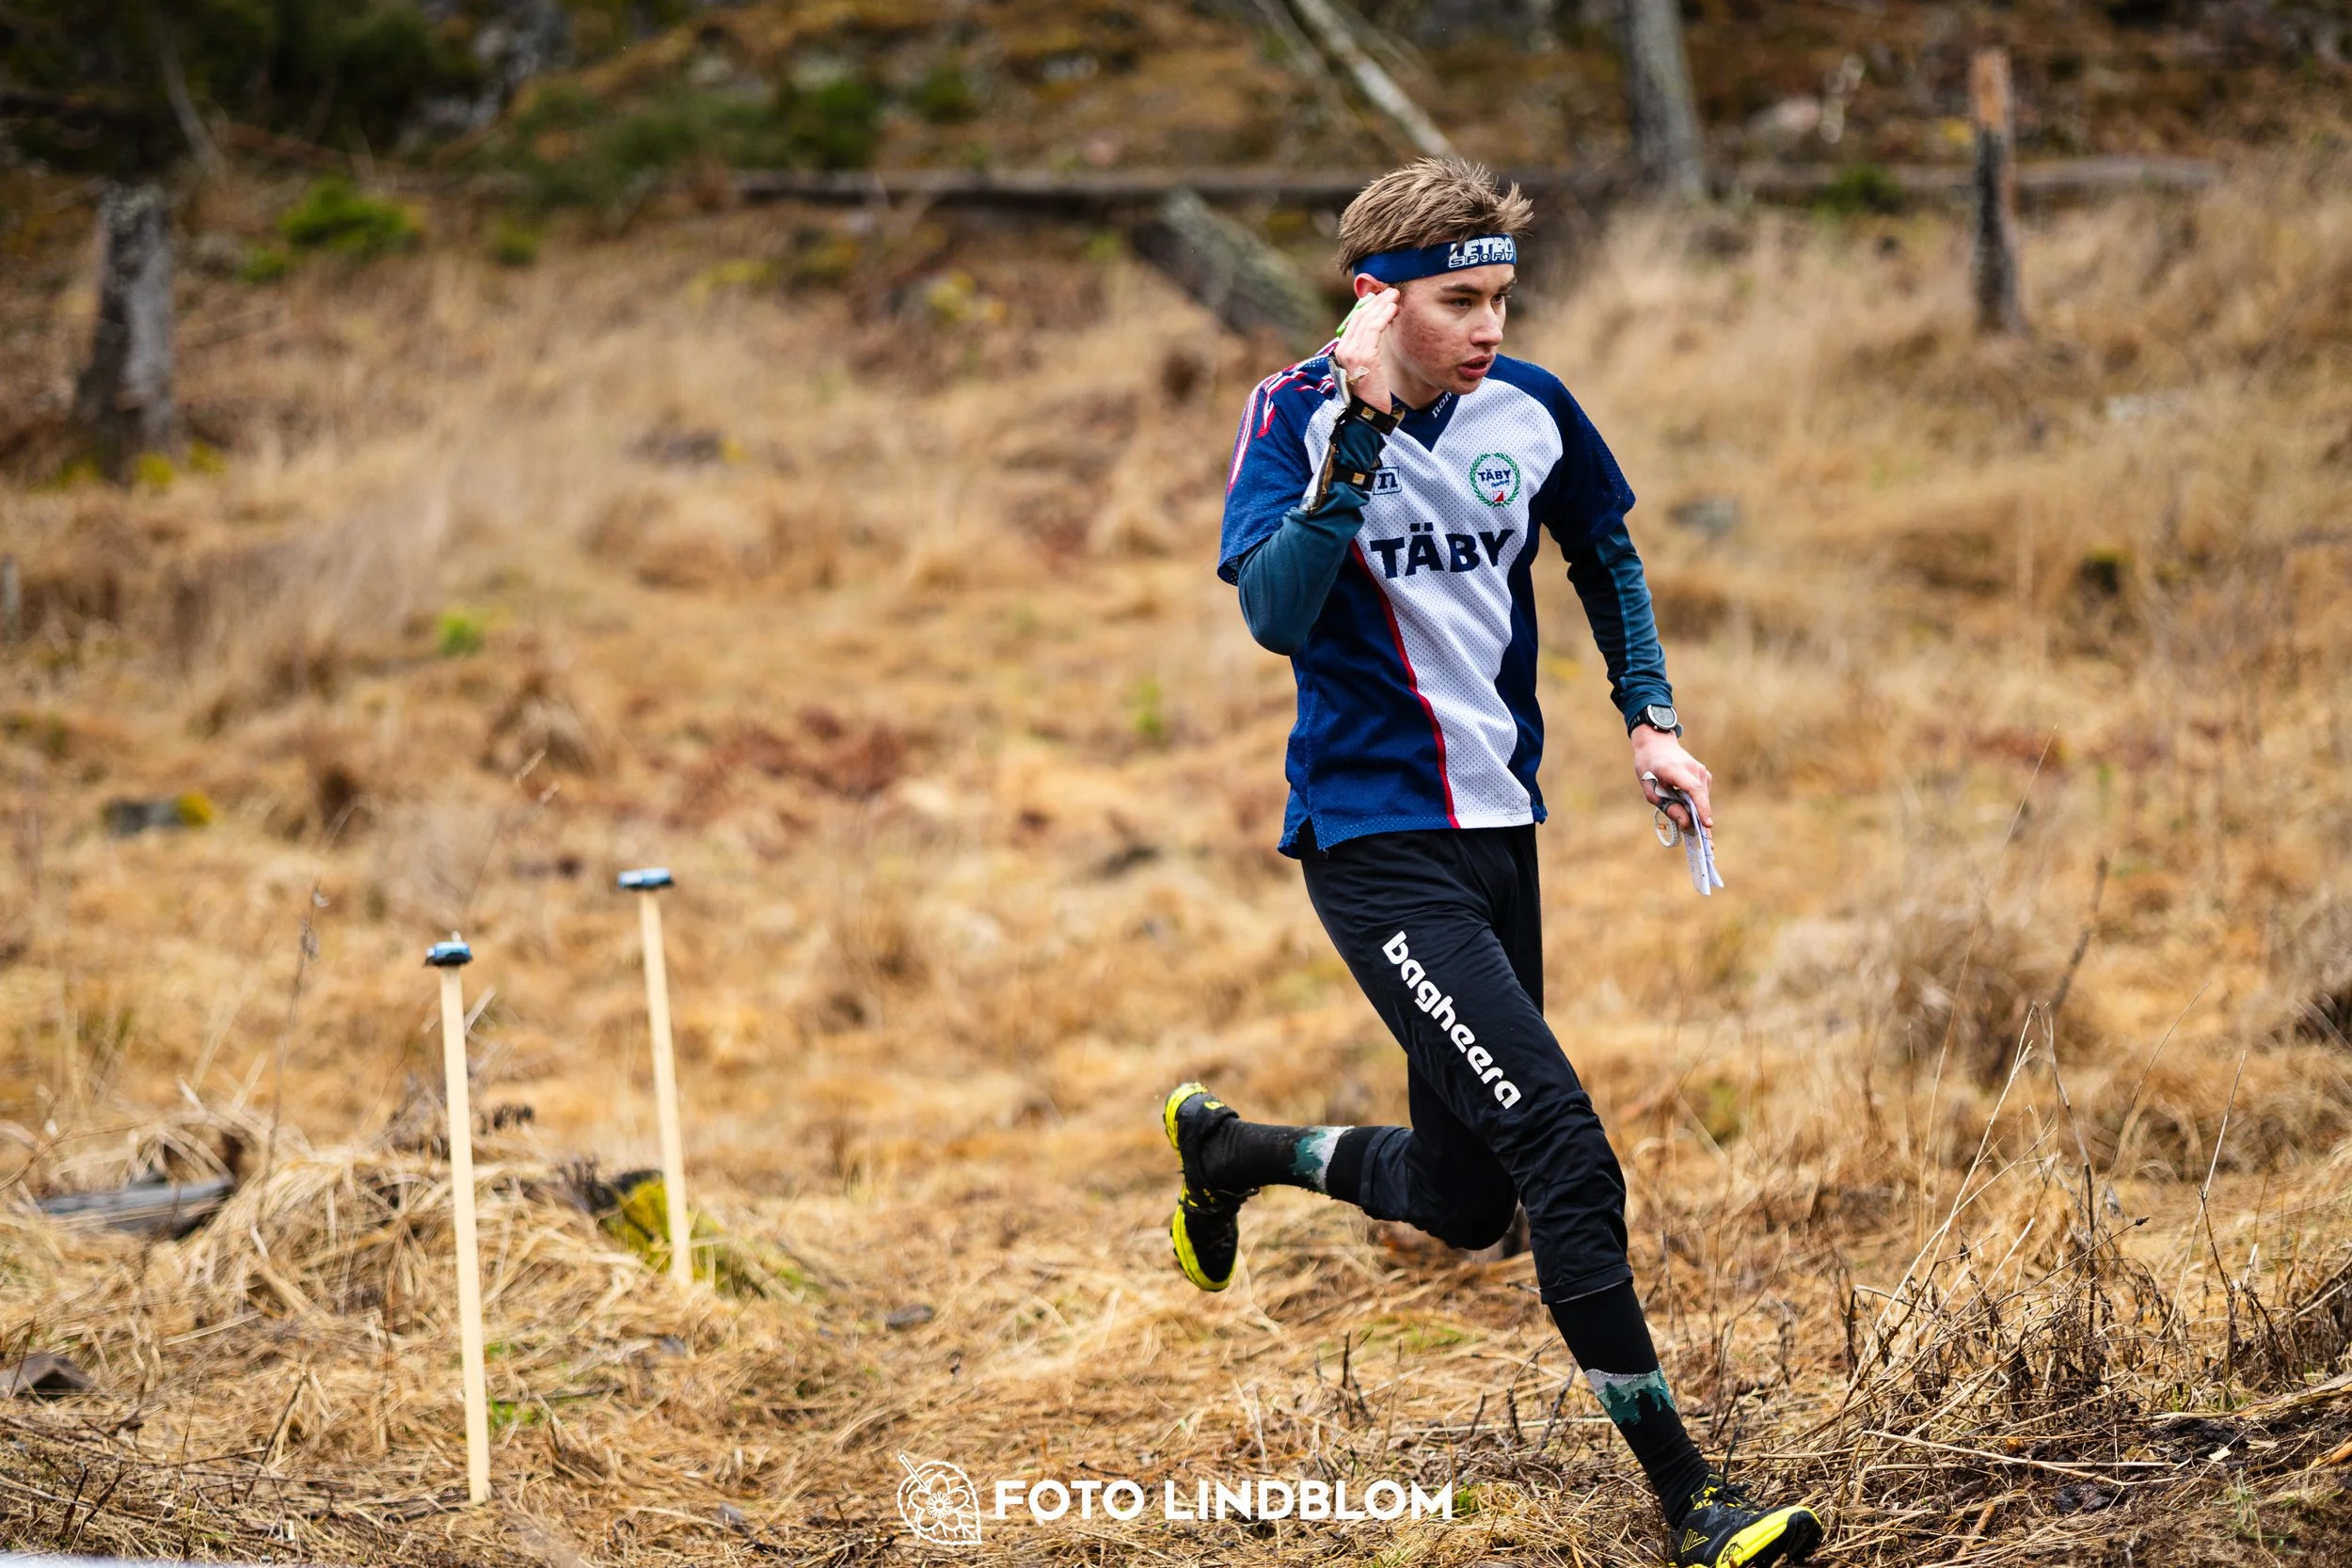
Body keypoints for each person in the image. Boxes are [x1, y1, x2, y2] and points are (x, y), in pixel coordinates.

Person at [1161, 157, 1822, 1568]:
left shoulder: (1528, 407)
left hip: (1502, 833)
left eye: (1502, 297)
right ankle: (1693, 1500)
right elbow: (1276, 612)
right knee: (1564, 1153)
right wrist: (1355, 440)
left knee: (1466, 1201)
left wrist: (1649, 716)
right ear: (1375, 298)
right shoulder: (1291, 418)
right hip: (1373, 842)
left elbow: (1604, 546)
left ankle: (1231, 1151)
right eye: (1459, 301)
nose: (1489, 327)